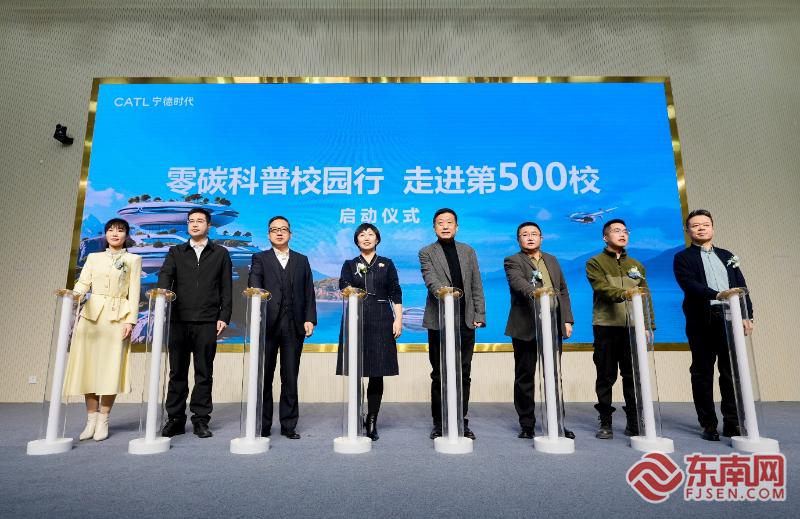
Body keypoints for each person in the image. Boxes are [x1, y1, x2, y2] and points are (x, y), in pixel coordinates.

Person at [673, 209, 753, 441]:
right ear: (687, 230)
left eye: (705, 224)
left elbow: (741, 286)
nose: (701, 228)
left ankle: (732, 422)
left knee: (730, 372)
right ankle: (708, 424)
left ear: (713, 228)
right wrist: (716, 294)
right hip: (702, 320)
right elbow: (689, 284)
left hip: (729, 319)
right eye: (695, 225)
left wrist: (748, 315)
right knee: (702, 372)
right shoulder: (683, 258)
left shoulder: (727, 255)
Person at [64, 218, 141, 441]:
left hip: (118, 317)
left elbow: (134, 292)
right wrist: (72, 295)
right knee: (87, 367)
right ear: (105, 234)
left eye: (120, 230)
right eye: (111, 230)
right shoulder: (93, 257)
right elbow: (83, 284)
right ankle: (91, 420)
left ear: (126, 235)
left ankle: (104, 419)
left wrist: (130, 321)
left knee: (111, 368)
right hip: (91, 316)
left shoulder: (133, 259)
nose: (115, 234)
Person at [158, 208, 232, 438]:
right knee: (177, 373)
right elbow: (165, 278)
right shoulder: (176, 252)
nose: (195, 224)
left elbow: (226, 287)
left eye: (200, 221)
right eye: (191, 221)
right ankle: (175, 419)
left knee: (204, 373)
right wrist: (161, 298)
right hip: (178, 320)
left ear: (209, 225)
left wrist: (224, 316)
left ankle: (200, 420)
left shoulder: (220, 253)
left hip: (208, 321)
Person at [503, 221, 575, 440]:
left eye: (534, 234)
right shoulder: (512, 260)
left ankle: (557, 423)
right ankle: (527, 424)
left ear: (541, 238)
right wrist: (537, 292)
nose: (530, 237)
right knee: (525, 376)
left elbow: (563, 290)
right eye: (525, 234)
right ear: (519, 240)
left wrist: (567, 320)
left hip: (552, 324)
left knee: (554, 375)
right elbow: (517, 283)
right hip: (526, 325)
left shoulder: (552, 260)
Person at [419, 208, 486, 440]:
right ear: (434, 227)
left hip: (465, 320)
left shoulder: (468, 251)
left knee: (463, 372)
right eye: (440, 222)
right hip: (439, 320)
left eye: (449, 222)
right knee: (439, 373)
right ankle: (439, 422)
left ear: (457, 226)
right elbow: (430, 280)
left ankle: (460, 420)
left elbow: (476, 283)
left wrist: (480, 313)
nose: (445, 226)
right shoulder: (426, 252)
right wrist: (446, 293)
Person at [585, 218, 655, 440]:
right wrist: (624, 294)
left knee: (632, 376)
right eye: (616, 231)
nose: (622, 234)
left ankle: (634, 421)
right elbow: (601, 288)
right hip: (606, 326)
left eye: (625, 231)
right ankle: (605, 420)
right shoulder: (594, 263)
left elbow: (645, 295)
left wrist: (648, 324)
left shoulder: (637, 265)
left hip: (633, 328)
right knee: (605, 376)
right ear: (605, 237)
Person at [248, 216, 316, 439]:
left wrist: (310, 319)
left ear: (290, 234)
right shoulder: (260, 258)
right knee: (264, 377)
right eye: (274, 230)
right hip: (267, 325)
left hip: (294, 325)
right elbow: (254, 285)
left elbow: (309, 291)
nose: (279, 233)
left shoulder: (302, 260)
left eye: (283, 229)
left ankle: (289, 425)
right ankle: (263, 424)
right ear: (268, 235)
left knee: (290, 377)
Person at [336, 223, 403, 441]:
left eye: (370, 234)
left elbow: (395, 292)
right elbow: (343, 286)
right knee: (355, 370)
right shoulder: (349, 264)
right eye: (362, 235)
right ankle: (356, 415)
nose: (366, 238)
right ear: (356, 240)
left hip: (382, 318)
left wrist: (398, 319)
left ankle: (372, 420)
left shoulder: (387, 264)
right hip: (356, 318)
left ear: (377, 239)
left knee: (377, 371)